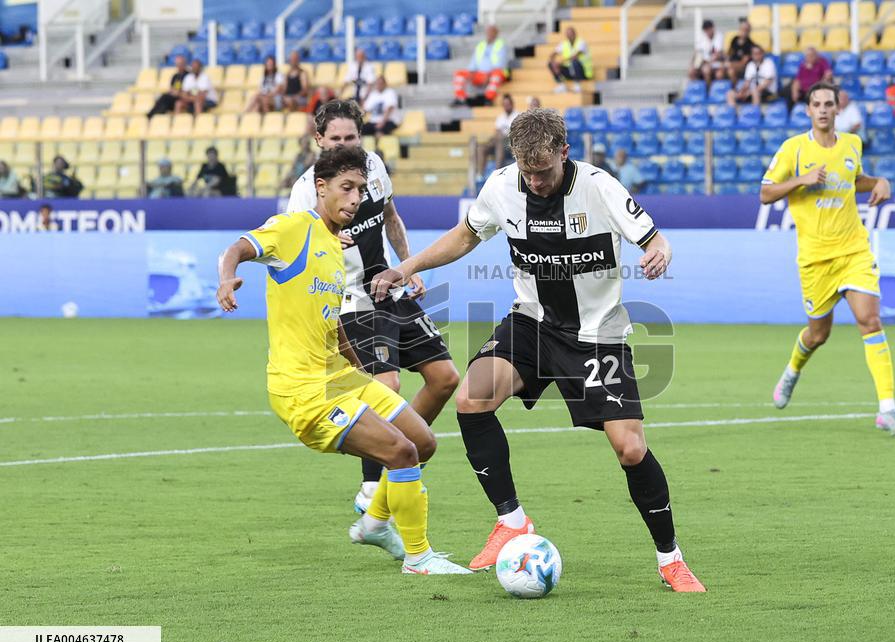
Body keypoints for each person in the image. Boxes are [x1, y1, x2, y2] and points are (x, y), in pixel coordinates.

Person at [370, 107, 707, 592]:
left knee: (630, 448)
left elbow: (656, 240)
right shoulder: (504, 186)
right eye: (528, 172)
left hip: (598, 334)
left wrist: (658, 253)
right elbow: (467, 235)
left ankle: (670, 559)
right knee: (471, 398)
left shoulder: (599, 187)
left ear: (564, 153)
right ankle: (511, 520)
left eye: (544, 171)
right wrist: (407, 267)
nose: (537, 182)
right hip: (531, 323)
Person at [217, 147, 470, 575]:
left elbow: (330, 323)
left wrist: (356, 366)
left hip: (340, 377)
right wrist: (227, 279)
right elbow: (237, 249)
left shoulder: (336, 247)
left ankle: (374, 523)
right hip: (303, 390)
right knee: (401, 451)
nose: (355, 199)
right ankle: (419, 557)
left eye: (361, 190)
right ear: (321, 187)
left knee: (424, 442)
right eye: (346, 188)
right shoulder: (293, 227)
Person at [287, 100, 460, 520]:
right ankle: (373, 484)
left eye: (351, 138)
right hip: (349, 301)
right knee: (387, 386)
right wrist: (325, 244)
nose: (344, 145)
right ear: (318, 141)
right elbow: (294, 255)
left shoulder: (375, 167)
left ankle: (397, 454)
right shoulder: (307, 191)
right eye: (335, 139)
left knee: (445, 378)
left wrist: (408, 265)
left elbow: (391, 217)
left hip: (388, 286)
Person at [760, 82, 895, 438]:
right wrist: (801, 180)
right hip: (815, 260)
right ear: (809, 111)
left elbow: (854, 179)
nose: (824, 109)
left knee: (869, 320)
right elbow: (765, 193)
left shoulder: (852, 145)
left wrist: (880, 181)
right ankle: (793, 370)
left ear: (837, 109)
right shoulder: (793, 149)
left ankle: (887, 409)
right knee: (818, 334)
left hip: (854, 250)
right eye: (817, 104)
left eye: (829, 103)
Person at [452, 24, 509, 106]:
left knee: (496, 74)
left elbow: (500, 64)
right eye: (488, 32)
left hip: (496, 74)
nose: (489, 34)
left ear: (496, 33)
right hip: (481, 74)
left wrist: (488, 75)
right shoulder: (481, 45)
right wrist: (471, 72)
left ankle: (488, 98)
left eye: (492, 32)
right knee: (459, 74)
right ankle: (461, 98)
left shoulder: (501, 44)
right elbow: (473, 62)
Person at [476, 93, 518, 177]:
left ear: (512, 104)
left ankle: (497, 173)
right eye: (504, 104)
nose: (506, 106)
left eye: (508, 104)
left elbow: (514, 133)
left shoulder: (517, 115)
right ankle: (480, 175)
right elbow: (497, 131)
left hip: (510, 144)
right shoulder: (500, 117)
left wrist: (502, 134)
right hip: (498, 141)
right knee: (481, 148)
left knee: (499, 141)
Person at [550, 26, 593, 93]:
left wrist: (561, 62)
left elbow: (576, 56)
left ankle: (577, 85)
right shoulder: (564, 43)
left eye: (571, 33)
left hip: (583, 72)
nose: (569, 36)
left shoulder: (581, 42)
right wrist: (553, 61)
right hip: (570, 71)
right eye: (568, 34)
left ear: (575, 33)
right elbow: (553, 53)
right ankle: (561, 85)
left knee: (574, 61)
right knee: (551, 64)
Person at [689, 19, 724, 84]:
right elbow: (697, 52)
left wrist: (708, 63)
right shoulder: (702, 37)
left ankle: (708, 91)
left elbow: (718, 54)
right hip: (703, 60)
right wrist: (692, 64)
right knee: (691, 71)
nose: (707, 32)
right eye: (705, 30)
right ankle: (696, 90)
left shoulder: (719, 36)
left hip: (715, 62)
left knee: (706, 70)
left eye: (708, 29)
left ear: (712, 28)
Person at [726, 20, 757, 85]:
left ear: (749, 31)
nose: (743, 32)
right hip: (730, 65)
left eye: (746, 30)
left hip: (742, 69)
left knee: (731, 71)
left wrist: (729, 64)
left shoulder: (750, 45)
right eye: (742, 29)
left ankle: (734, 89)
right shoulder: (734, 39)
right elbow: (729, 53)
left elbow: (743, 64)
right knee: (718, 73)